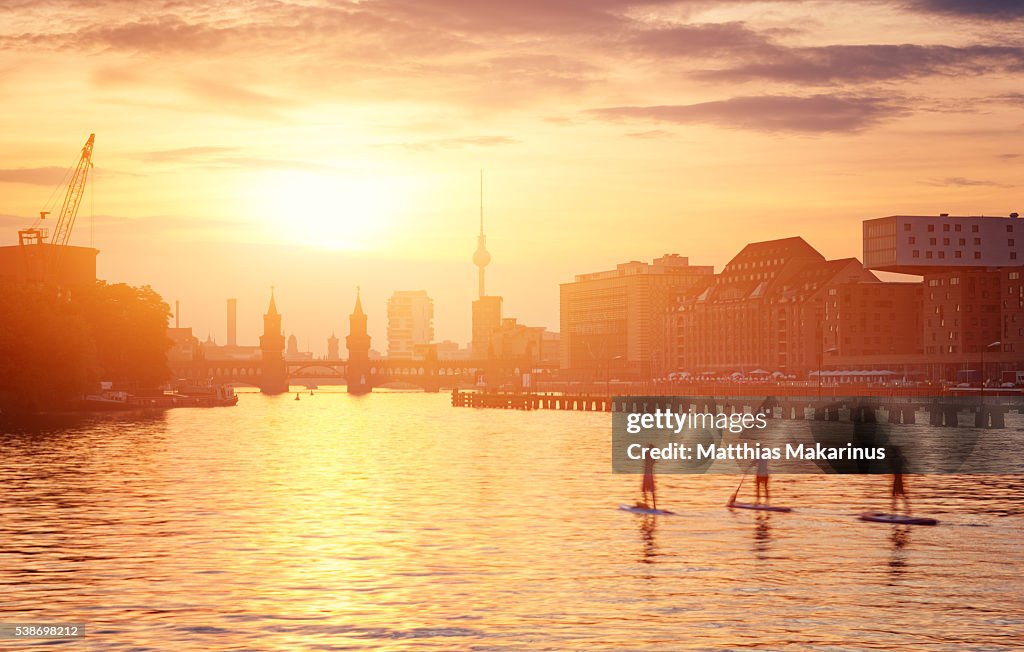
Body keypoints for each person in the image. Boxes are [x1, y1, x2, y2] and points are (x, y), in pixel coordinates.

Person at [890, 445, 910, 515]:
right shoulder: (900, 458)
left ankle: (894, 513)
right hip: (898, 478)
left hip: (897, 478)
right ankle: (907, 510)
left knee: (896, 494)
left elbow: (892, 467)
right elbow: (907, 463)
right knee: (901, 494)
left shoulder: (895, 459)